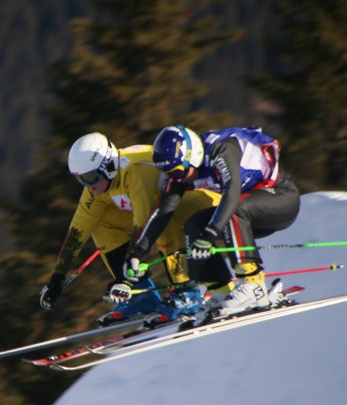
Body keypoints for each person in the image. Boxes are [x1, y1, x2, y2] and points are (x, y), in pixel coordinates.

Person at [118, 124, 300, 317]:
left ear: (193, 156)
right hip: (247, 212)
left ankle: (253, 285)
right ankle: (220, 291)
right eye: (169, 174)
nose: (175, 178)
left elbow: (232, 190)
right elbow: (163, 211)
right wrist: (138, 253)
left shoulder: (220, 149)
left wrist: (211, 233)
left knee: (232, 211)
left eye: (178, 171)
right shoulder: (181, 174)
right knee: (194, 224)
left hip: (282, 199)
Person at [38, 132, 218, 323]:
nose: (87, 185)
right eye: (80, 179)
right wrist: (58, 275)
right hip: (164, 207)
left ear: (106, 167)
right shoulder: (99, 184)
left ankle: (187, 291)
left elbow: (143, 222)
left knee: (162, 216)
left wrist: (126, 279)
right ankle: (142, 295)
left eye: (89, 178)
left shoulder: (134, 171)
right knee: (100, 223)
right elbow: (79, 228)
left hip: (206, 199)